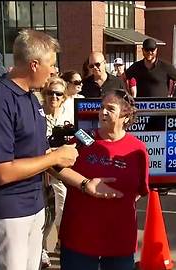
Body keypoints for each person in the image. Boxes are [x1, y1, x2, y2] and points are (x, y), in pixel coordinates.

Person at [0, 30, 119, 270]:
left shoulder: (30, 97)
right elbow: (2, 172)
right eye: (51, 64)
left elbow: (43, 158)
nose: (54, 71)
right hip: (7, 213)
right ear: (34, 64)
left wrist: (84, 183)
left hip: (34, 207)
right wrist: (57, 156)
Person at [55, 89, 149, 270]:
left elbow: (139, 191)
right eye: (101, 107)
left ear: (126, 116)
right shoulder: (82, 139)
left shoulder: (138, 149)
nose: (103, 112)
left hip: (119, 240)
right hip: (79, 238)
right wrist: (85, 185)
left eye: (110, 108)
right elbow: (56, 167)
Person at [39, 76, 73, 268]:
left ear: (64, 97)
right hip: (39, 171)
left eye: (58, 94)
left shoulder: (68, 118)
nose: (54, 97)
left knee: (61, 209)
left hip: (61, 172)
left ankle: (62, 243)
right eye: (50, 93)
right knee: (42, 213)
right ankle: (42, 249)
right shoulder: (37, 114)